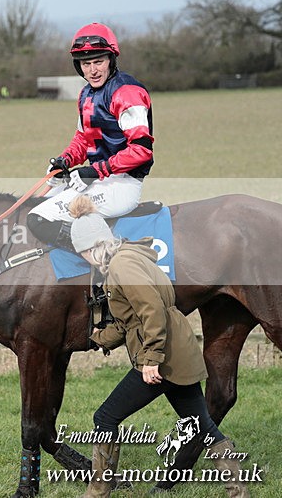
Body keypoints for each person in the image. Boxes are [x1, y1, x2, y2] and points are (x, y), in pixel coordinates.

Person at [68, 195, 250, 498]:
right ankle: (239, 490)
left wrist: (152, 359)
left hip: (162, 356)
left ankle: (98, 491)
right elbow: (131, 318)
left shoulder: (121, 267)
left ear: (92, 247)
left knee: (105, 417)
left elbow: (151, 310)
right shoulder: (129, 257)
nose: (83, 258)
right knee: (200, 424)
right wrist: (97, 340)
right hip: (176, 349)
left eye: (82, 252)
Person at [27, 22, 154, 251]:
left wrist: (96, 170)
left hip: (121, 185)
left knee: (38, 219)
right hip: (99, 180)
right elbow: (83, 140)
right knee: (41, 204)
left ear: (111, 60)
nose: (92, 70)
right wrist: (65, 160)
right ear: (79, 66)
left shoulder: (127, 93)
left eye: (98, 62)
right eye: (86, 64)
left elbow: (142, 150)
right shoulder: (86, 93)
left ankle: (105, 260)